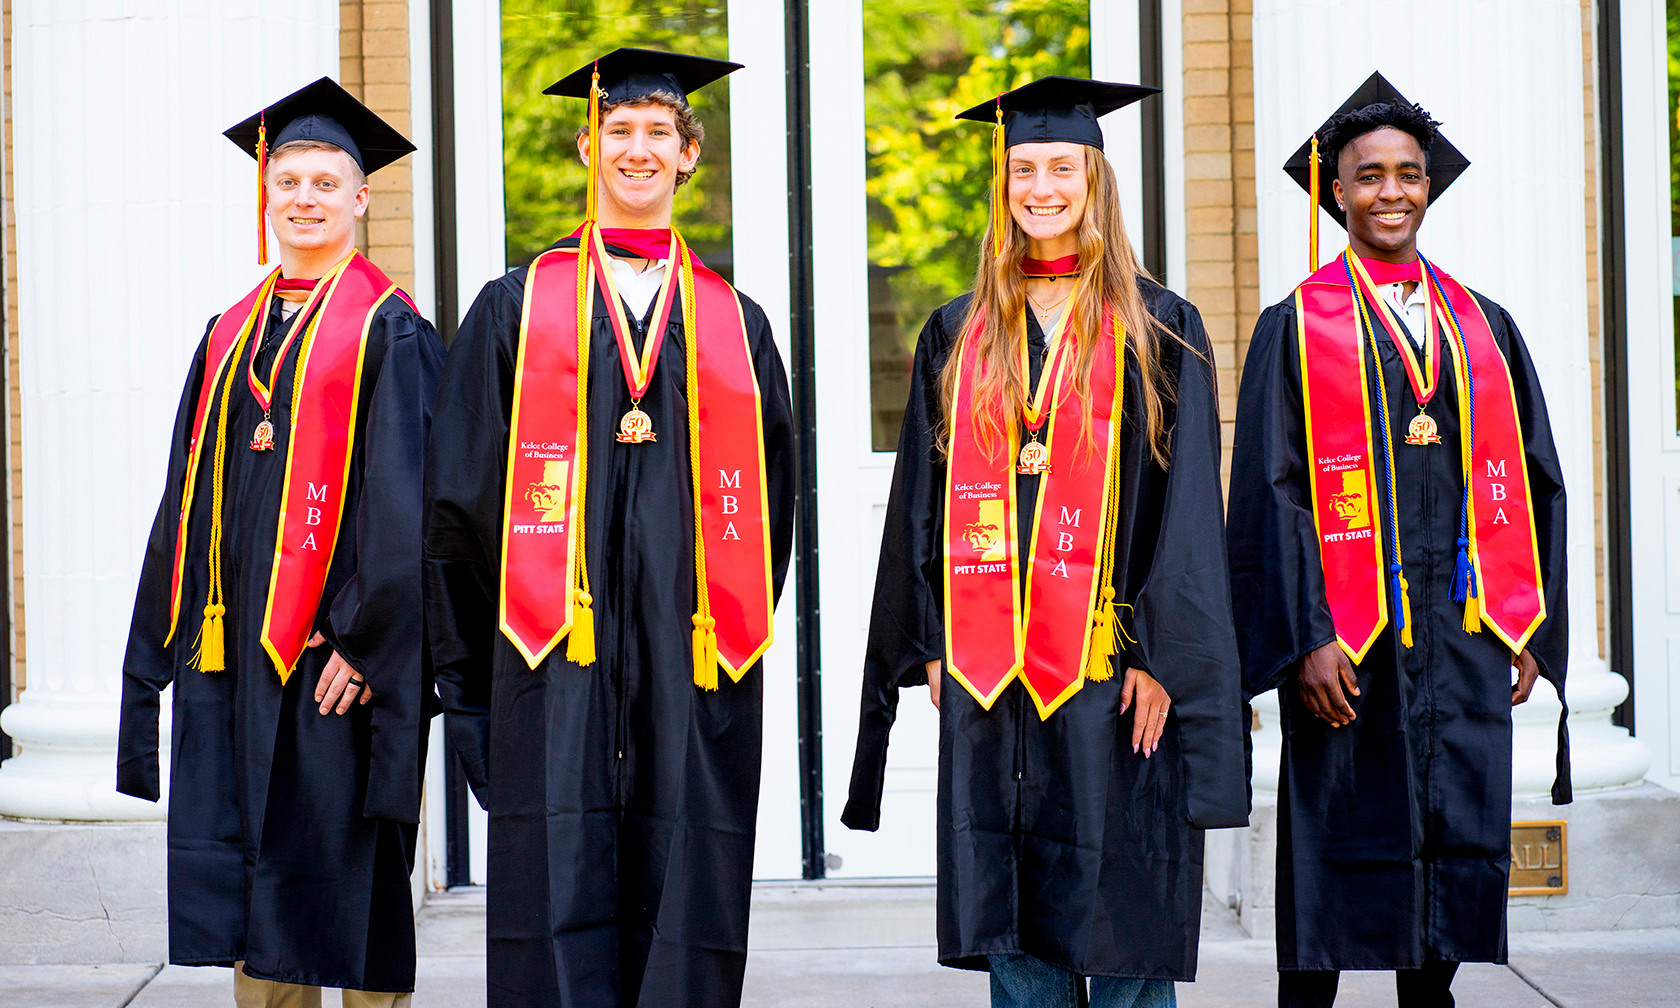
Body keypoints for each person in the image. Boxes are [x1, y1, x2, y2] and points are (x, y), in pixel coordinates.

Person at [843, 75, 1248, 1008]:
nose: (1041, 187)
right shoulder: (960, 332)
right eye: (1023, 169)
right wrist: (935, 644)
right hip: (995, 676)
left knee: (1121, 919)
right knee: (1017, 915)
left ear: (1096, 179)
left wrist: (1162, 662)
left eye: (1061, 167)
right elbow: (920, 501)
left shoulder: (1161, 328)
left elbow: (1186, 513)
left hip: (1109, 673)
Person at [423, 47, 795, 1008]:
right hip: (547, 668)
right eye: (619, 131)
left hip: (691, 665)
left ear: (689, 153)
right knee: (555, 899)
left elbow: (772, 509)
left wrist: (715, 634)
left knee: (688, 900)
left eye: (657, 133)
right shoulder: (515, 307)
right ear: (588, 145)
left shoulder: (734, 323)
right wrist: (471, 681)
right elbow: (459, 506)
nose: (638, 149)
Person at [1227, 73, 1570, 1008]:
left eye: (1407, 174)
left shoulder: (1484, 326)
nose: (1390, 192)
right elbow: (1269, 494)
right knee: (1334, 838)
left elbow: (1532, 479)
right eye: (1368, 174)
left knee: (1452, 832)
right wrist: (1304, 636)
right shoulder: (1295, 328)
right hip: (1348, 639)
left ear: (1429, 186)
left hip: (1457, 632)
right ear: (1334, 190)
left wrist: (1525, 625)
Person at [116, 77, 443, 1006]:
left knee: (350, 881)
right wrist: (166, 640)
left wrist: (367, 642)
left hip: (334, 664)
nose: (304, 199)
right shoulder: (229, 335)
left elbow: (414, 504)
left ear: (360, 198)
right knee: (256, 884)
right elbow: (184, 497)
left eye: (324, 183)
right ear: (269, 195)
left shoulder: (392, 331)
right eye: (288, 182)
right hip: (237, 659)